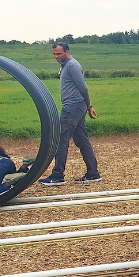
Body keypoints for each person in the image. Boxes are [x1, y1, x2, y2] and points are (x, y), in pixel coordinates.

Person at [40, 42, 102, 185]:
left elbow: (83, 88)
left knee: (61, 139)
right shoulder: (66, 65)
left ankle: (57, 175)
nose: (56, 56)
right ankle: (93, 173)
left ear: (67, 51)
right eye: (54, 54)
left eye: (59, 54)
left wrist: (89, 106)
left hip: (73, 106)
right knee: (81, 139)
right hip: (77, 105)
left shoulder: (72, 65)